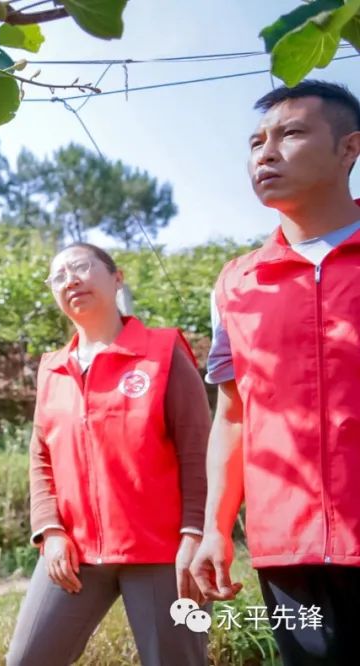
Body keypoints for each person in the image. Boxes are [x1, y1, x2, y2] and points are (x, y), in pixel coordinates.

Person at [190, 80, 360, 664]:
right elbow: (233, 416)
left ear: (348, 150)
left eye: (290, 133)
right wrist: (215, 527)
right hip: (286, 556)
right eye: (256, 140)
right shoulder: (236, 284)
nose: (266, 152)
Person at [7, 243, 210, 666]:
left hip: (161, 551)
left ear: (117, 277)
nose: (71, 280)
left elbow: (198, 451)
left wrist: (195, 534)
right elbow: (41, 455)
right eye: (59, 276)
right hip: (75, 552)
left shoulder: (162, 353)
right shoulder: (53, 369)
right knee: (27, 659)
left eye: (81, 267)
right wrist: (50, 530)